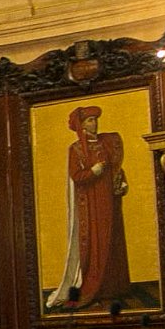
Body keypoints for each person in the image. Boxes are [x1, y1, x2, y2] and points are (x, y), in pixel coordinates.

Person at [46, 105, 132, 309]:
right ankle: (96, 288)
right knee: (97, 244)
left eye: (95, 119)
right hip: (92, 204)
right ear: (82, 125)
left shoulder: (106, 143)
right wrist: (93, 171)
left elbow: (115, 169)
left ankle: (114, 288)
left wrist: (122, 182)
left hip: (109, 200)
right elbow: (77, 177)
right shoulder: (75, 149)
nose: (94, 123)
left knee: (112, 239)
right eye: (90, 120)